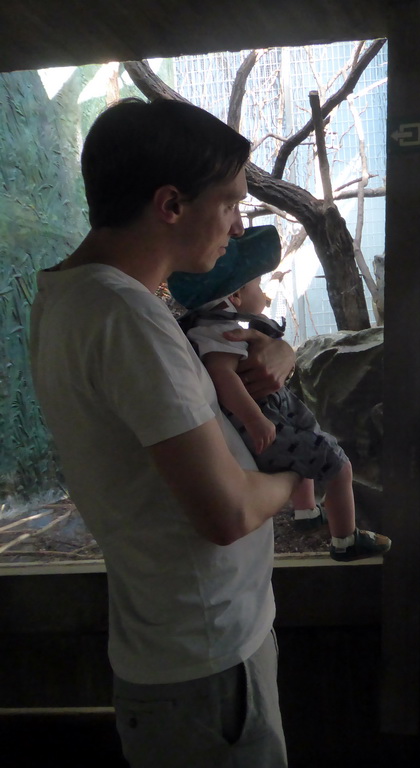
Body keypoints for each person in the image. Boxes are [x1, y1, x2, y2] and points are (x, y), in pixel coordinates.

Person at [29, 98, 300, 768]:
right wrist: (298, 475)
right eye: (230, 202)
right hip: (208, 669)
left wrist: (276, 359)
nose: (239, 227)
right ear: (171, 205)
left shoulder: (82, 299)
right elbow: (226, 510)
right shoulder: (124, 315)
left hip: (185, 656)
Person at [167, 225, 391, 561]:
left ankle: (306, 514)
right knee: (338, 462)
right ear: (235, 297)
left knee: (307, 427)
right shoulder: (219, 332)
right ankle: (346, 539)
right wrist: (255, 419)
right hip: (258, 422)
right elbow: (223, 377)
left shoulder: (210, 325)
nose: (266, 294)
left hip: (270, 412)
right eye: (258, 285)